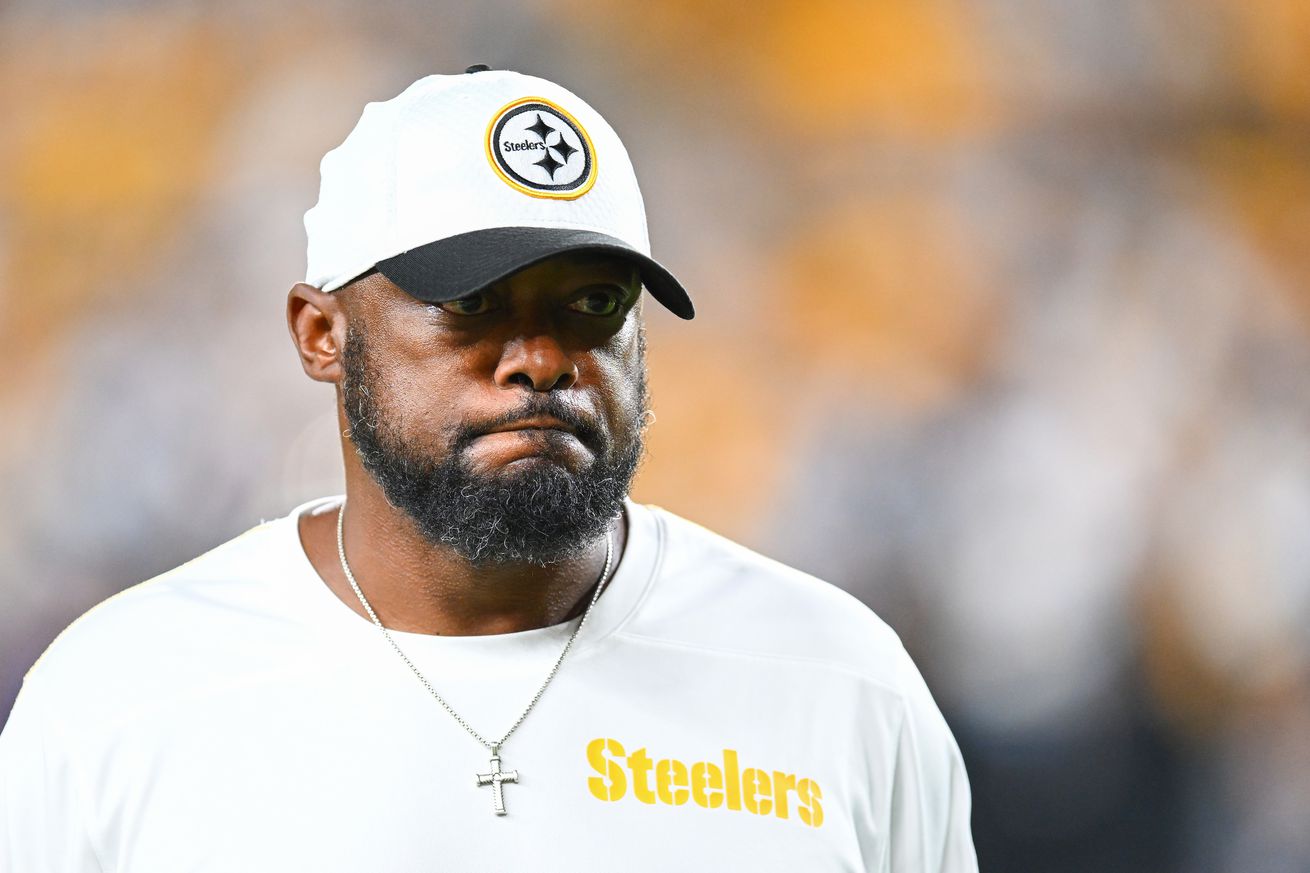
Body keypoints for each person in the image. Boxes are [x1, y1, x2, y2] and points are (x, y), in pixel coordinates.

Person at [0, 66, 979, 871]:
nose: (541, 358)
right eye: (471, 306)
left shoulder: (837, 683)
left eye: (592, 304)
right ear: (321, 333)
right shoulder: (120, 700)